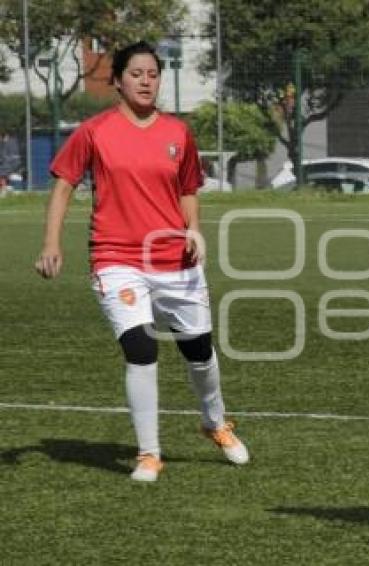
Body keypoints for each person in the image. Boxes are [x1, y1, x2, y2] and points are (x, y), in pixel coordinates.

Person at [34, 41, 249, 482]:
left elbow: (188, 188)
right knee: (140, 347)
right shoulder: (94, 132)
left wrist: (194, 230)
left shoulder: (178, 133)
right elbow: (62, 187)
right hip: (117, 258)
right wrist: (51, 243)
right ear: (116, 81)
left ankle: (214, 423)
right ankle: (149, 454)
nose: (146, 81)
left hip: (175, 259)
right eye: (136, 74)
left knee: (200, 354)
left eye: (153, 73)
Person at [0, 131, 21, 195]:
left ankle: (3, 190)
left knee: (2, 172)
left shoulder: (6, 143)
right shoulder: (12, 141)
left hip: (10, 163)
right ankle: (8, 188)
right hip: (13, 162)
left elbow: (4, 157)